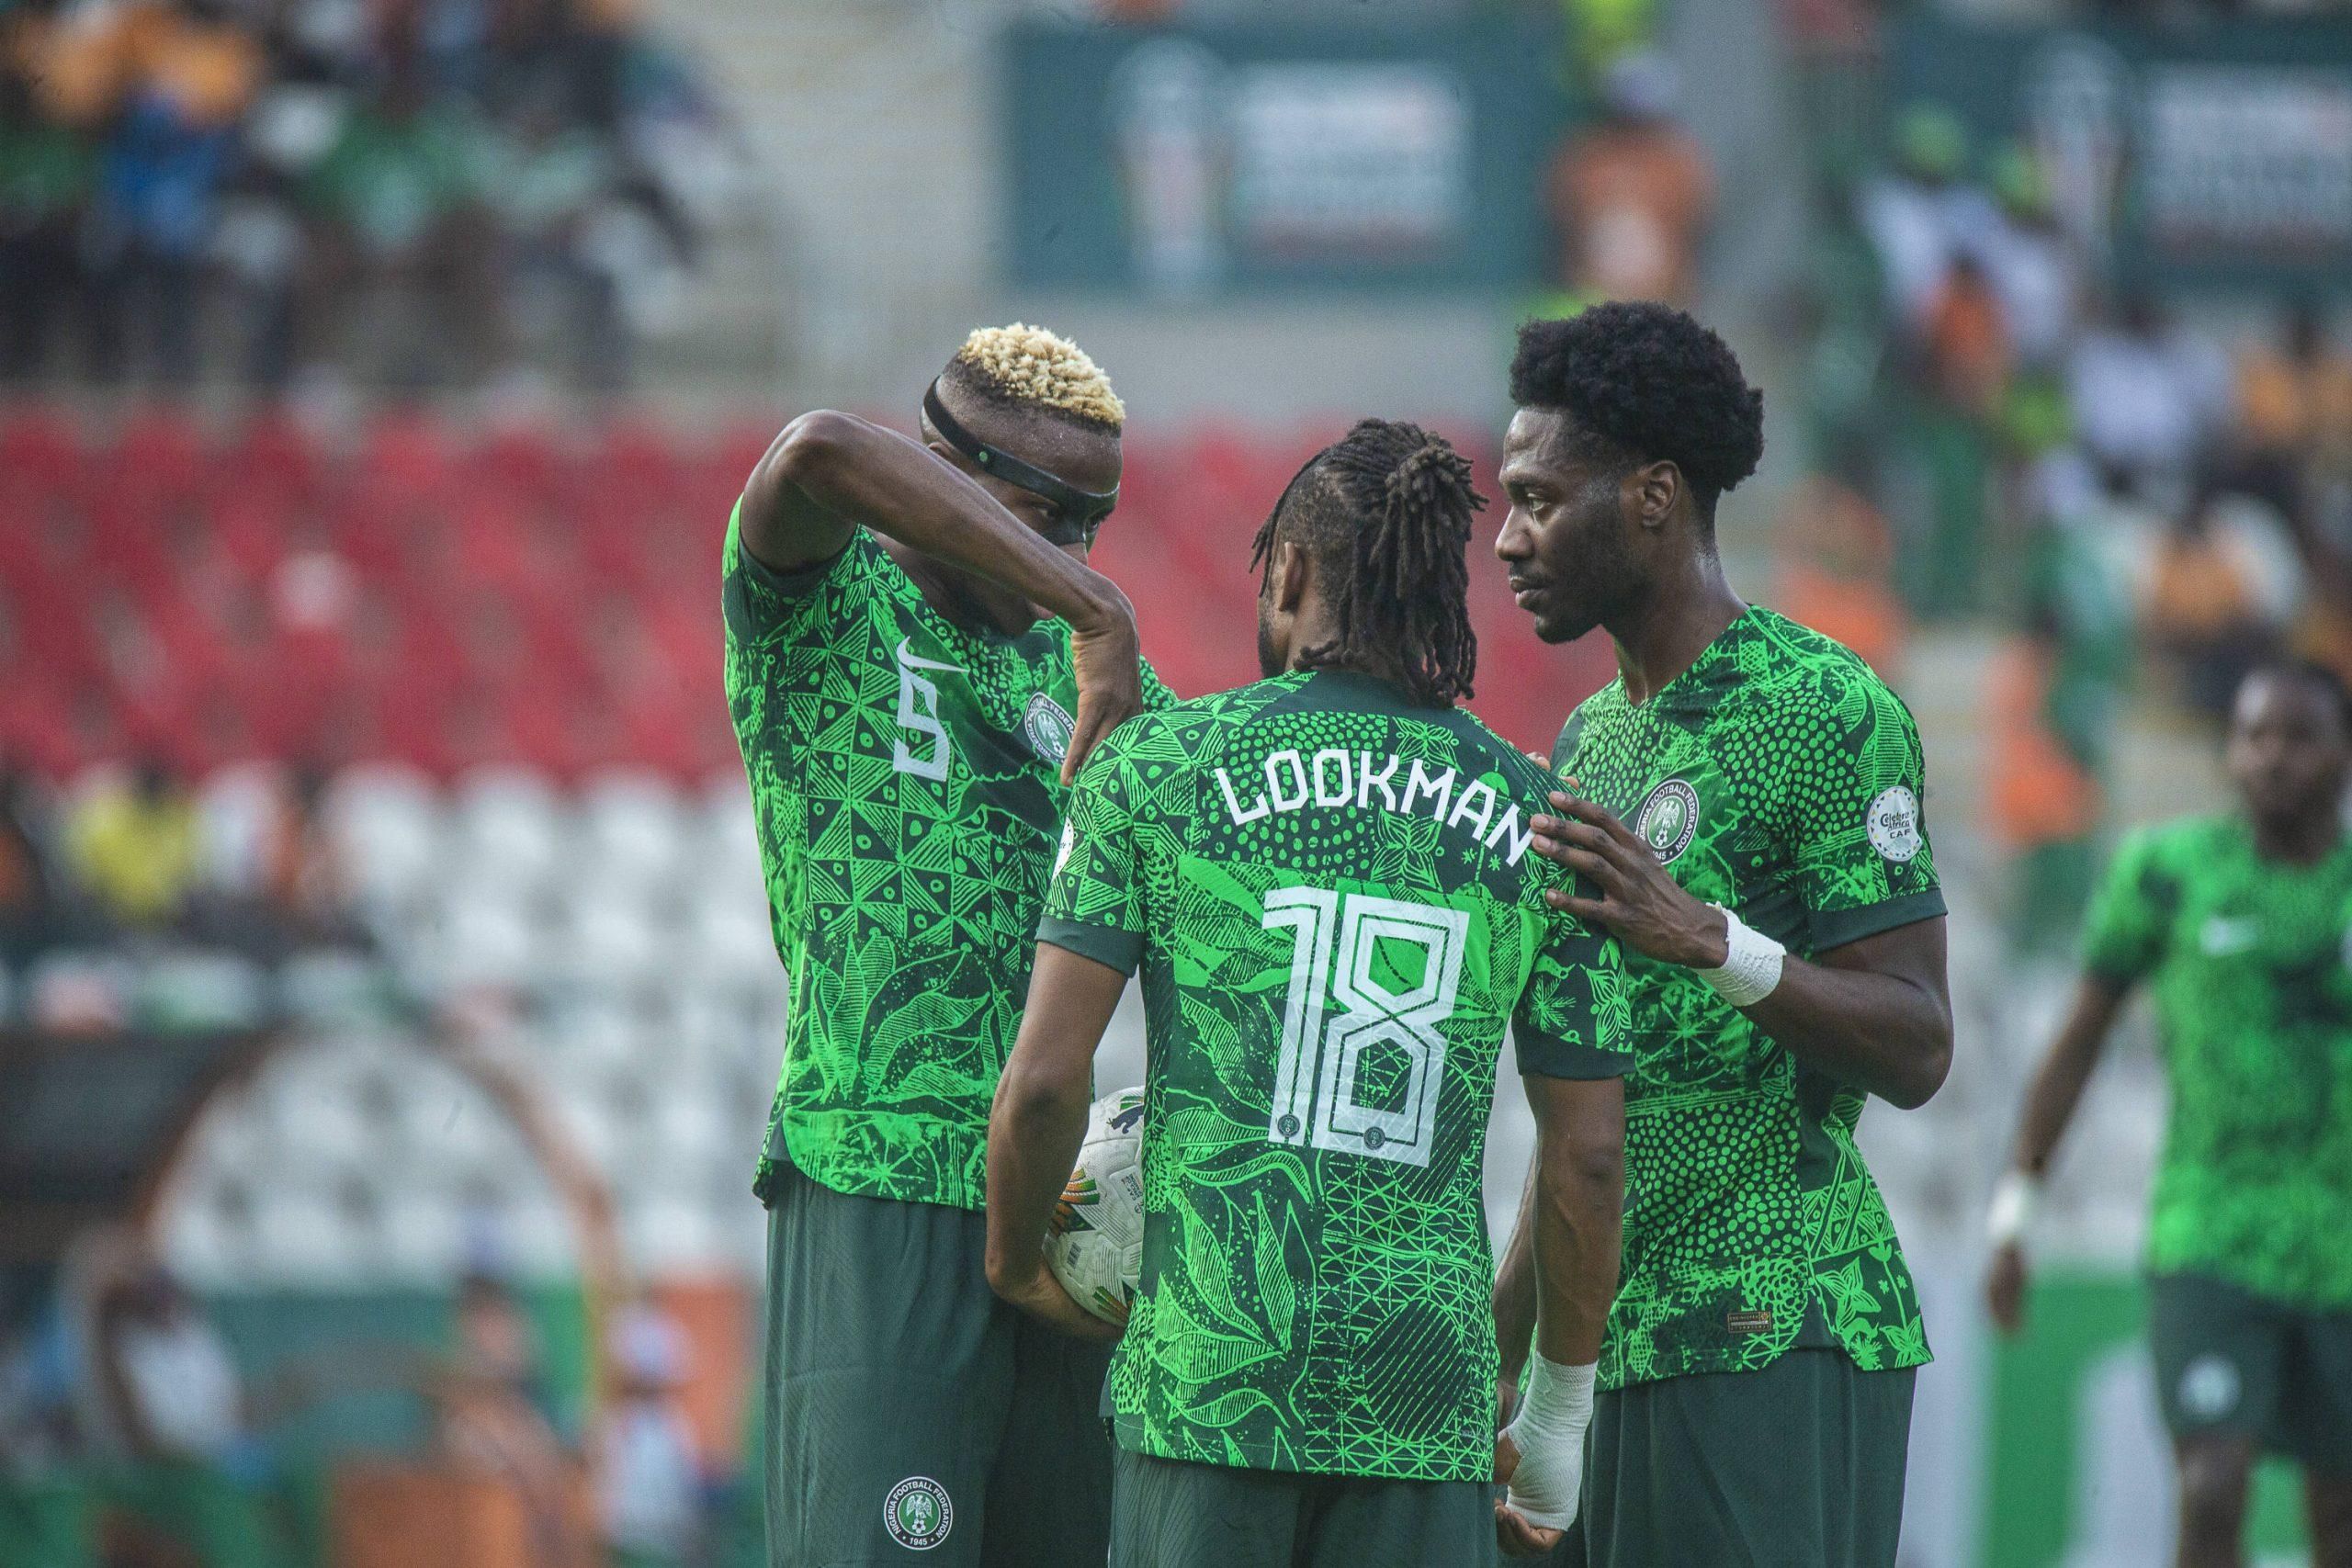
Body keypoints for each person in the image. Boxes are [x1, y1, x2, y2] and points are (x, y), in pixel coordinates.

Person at [985, 420, 1633, 1565]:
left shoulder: (1154, 769)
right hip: (1421, 1404)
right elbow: (1583, 1163)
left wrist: (1015, 1256)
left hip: (1205, 1392)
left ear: (1286, 570)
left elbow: (1044, 1081)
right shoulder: (1544, 821)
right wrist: (1554, 1424)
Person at [1491, 302, 1953, 1567]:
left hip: (1773, 1317)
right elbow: (1586, 1110)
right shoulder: (1591, 741)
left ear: (1651, 496)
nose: (1507, 534)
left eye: (1538, 497)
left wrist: (1714, 940)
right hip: (1607, 1336)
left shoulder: (1826, 708)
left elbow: (1918, 1045)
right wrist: (1501, 1356)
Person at [725, 323, 1169, 1566]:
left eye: (1094, 525)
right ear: (946, 467)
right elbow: (815, 450)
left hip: (1061, 1204)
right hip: (876, 1174)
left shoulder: (1085, 686)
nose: (1071, 552)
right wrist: (1096, 599)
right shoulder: (817, 597)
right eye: (1048, 514)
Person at [1984, 661, 2352, 1568]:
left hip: (2342, 1248)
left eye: (2297, 737)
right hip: (2209, 1230)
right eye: (2252, 736)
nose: (2270, 758)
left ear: (2341, 755)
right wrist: (2014, 1209)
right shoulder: (2168, 873)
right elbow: (2079, 1037)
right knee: (2210, 1486)